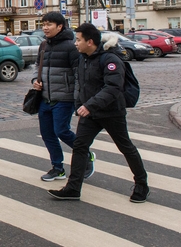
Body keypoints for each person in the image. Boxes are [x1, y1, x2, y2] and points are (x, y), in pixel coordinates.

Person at [49, 23, 149, 203]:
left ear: (90, 41)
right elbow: (81, 83)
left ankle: (142, 184)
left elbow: (113, 88)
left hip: (111, 112)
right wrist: (81, 104)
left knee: (125, 147)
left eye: (78, 40)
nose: (75, 44)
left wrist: (89, 106)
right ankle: (73, 188)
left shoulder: (110, 59)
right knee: (80, 147)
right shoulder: (83, 58)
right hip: (91, 113)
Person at [33, 11, 95, 182]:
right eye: (43, 24)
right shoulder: (43, 45)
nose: (45, 28)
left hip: (64, 98)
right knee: (47, 133)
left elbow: (78, 74)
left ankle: (86, 154)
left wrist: (76, 99)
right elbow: (37, 67)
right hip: (45, 97)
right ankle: (57, 168)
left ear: (59, 26)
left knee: (61, 131)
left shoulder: (71, 46)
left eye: (49, 24)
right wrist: (35, 81)